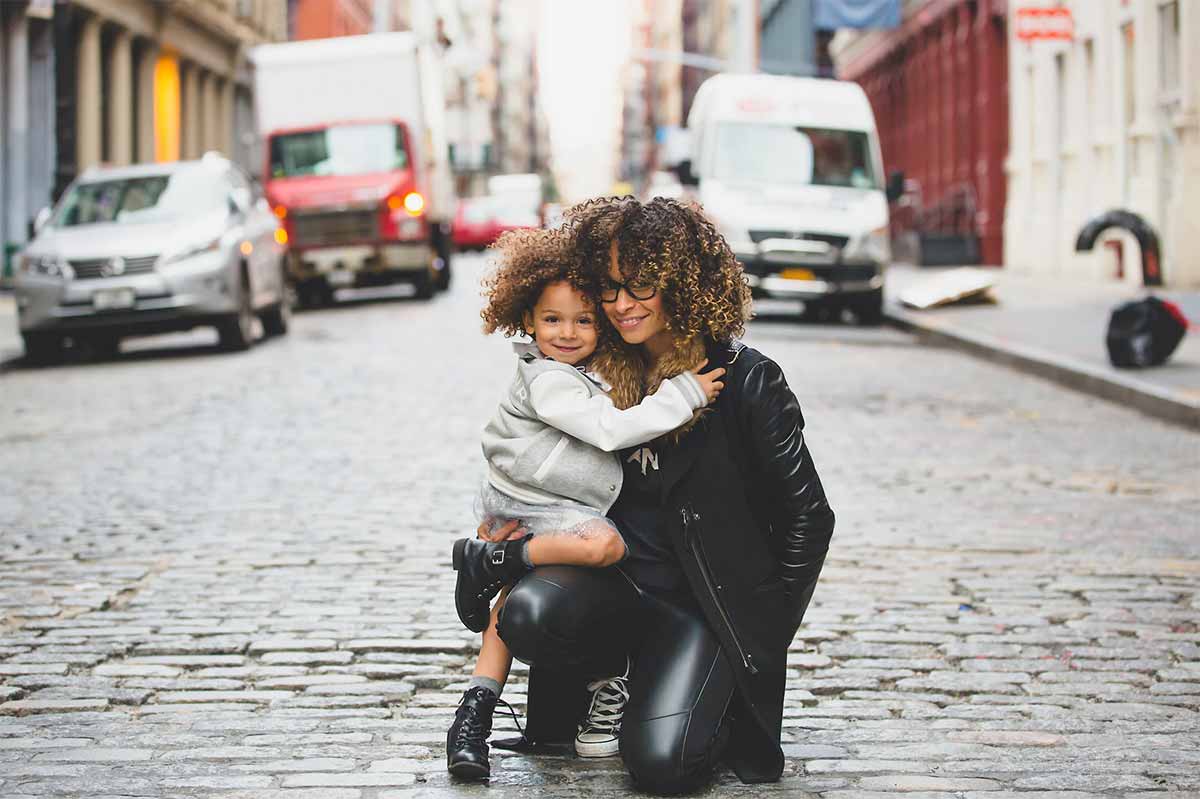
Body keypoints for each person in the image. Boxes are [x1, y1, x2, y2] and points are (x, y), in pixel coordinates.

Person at [491, 197, 836, 793]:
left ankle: (692, 692)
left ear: (683, 284)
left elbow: (810, 516)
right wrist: (507, 527)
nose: (622, 305)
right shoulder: (596, 370)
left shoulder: (747, 380)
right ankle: (614, 684)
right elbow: (530, 457)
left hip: (699, 608)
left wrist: (760, 633)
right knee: (528, 613)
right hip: (615, 589)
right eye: (611, 288)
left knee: (661, 768)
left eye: (641, 286)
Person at [446, 227, 726, 780]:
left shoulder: (581, 371)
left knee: (513, 591)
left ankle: (473, 711)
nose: (569, 332)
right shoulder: (548, 380)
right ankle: (503, 563)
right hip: (541, 501)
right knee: (604, 545)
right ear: (527, 321)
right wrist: (685, 395)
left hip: (536, 499)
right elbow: (607, 430)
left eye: (583, 320)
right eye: (553, 320)